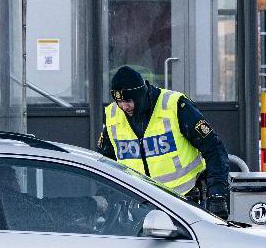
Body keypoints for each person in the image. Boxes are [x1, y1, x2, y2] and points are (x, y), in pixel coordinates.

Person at [97, 65, 231, 219]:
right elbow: (105, 161)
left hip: (185, 203)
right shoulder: (113, 115)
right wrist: (104, 198)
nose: (123, 106)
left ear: (140, 95)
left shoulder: (175, 106)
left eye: (128, 100)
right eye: (118, 101)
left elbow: (214, 149)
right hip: (138, 207)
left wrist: (217, 195)